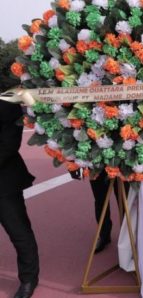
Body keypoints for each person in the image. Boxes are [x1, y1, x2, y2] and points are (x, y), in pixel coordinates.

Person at [0, 100, 39, 298]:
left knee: (19, 232)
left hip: (4, 182)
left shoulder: (7, 106)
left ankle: (28, 279)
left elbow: (9, 144)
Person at [70, 170, 129, 254]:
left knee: (124, 201)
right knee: (100, 200)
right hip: (96, 165)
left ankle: (128, 236)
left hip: (121, 163)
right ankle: (104, 235)